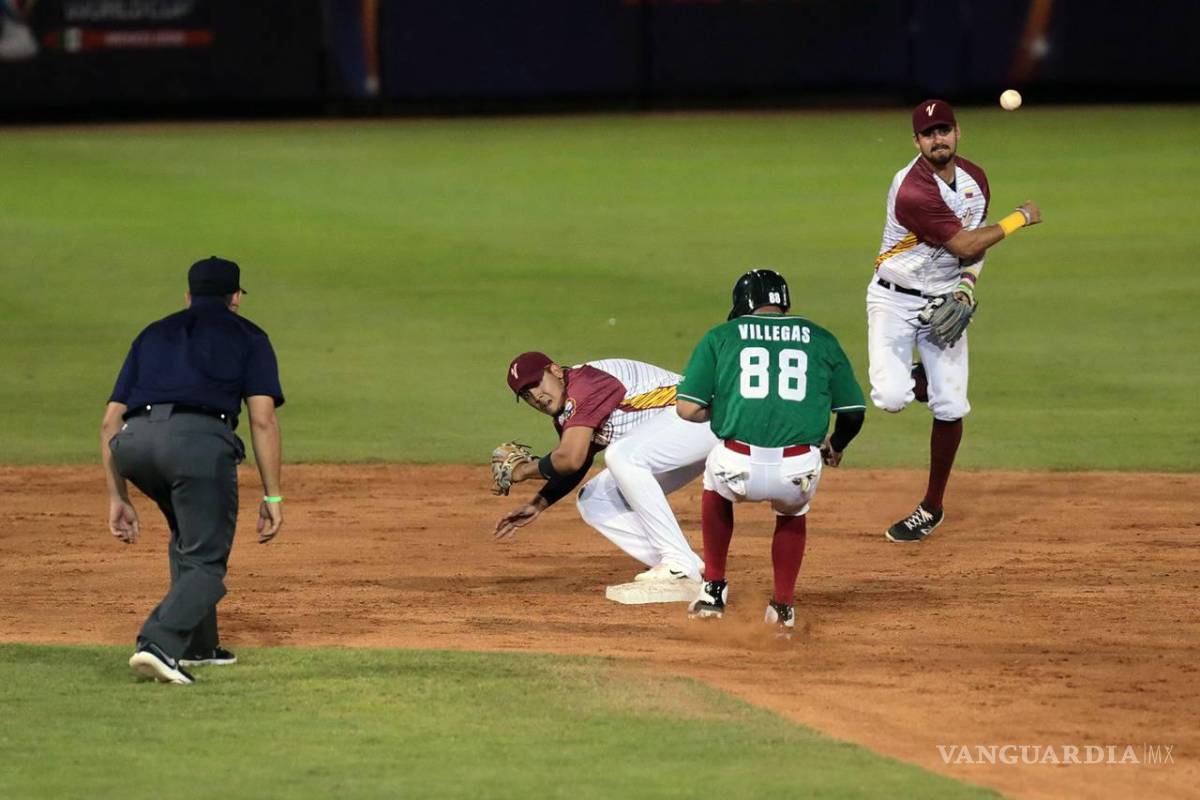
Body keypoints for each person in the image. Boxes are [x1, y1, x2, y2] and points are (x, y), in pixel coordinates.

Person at [100, 256, 285, 685]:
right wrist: (273, 496)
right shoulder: (249, 336)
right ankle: (158, 643)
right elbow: (262, 419)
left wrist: (118, 496)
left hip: (134, 445)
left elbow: (110, 421)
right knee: (206, 558)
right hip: (197, 446)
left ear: (188, 296)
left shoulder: (152, 334)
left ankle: (200, 646)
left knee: (188, 534)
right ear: (235, 298)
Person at [869, 99, 1041, 542]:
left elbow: (976, 249)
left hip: (946, 297)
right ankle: (918, 379)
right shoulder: (912, 190)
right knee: (890, 397)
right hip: (894, 301)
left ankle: (932, 507)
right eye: (929, 133)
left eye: (944, 130)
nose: (938, 138)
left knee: (950, 406)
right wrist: (1019, 218)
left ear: (957, 132)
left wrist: (966, 285)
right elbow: (966, 242)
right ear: (917, 141)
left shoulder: (975, 180)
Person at [676, 270, 865, 633]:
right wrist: (836, 446)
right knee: (793, 512)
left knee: (714, 485)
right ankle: (783, 607)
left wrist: (728, 406)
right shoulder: (821, 338)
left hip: (736, 465)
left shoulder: (721, 336)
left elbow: (687, 409)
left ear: (741, 306)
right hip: (796, 470)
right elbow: (853, 412)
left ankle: (713, 589)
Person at [493, 352, 718, 583]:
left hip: (705, 416)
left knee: (621, 456)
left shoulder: (586, 383)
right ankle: (684, 568)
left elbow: (570, 458)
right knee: (595, 499)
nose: (537, 396)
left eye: (536, 383)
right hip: (677, 438)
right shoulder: (567, 410)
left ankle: (678, 563)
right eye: (526, 395)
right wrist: (539, 503)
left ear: (555, 371)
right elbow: (578, 463)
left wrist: (522, 470)